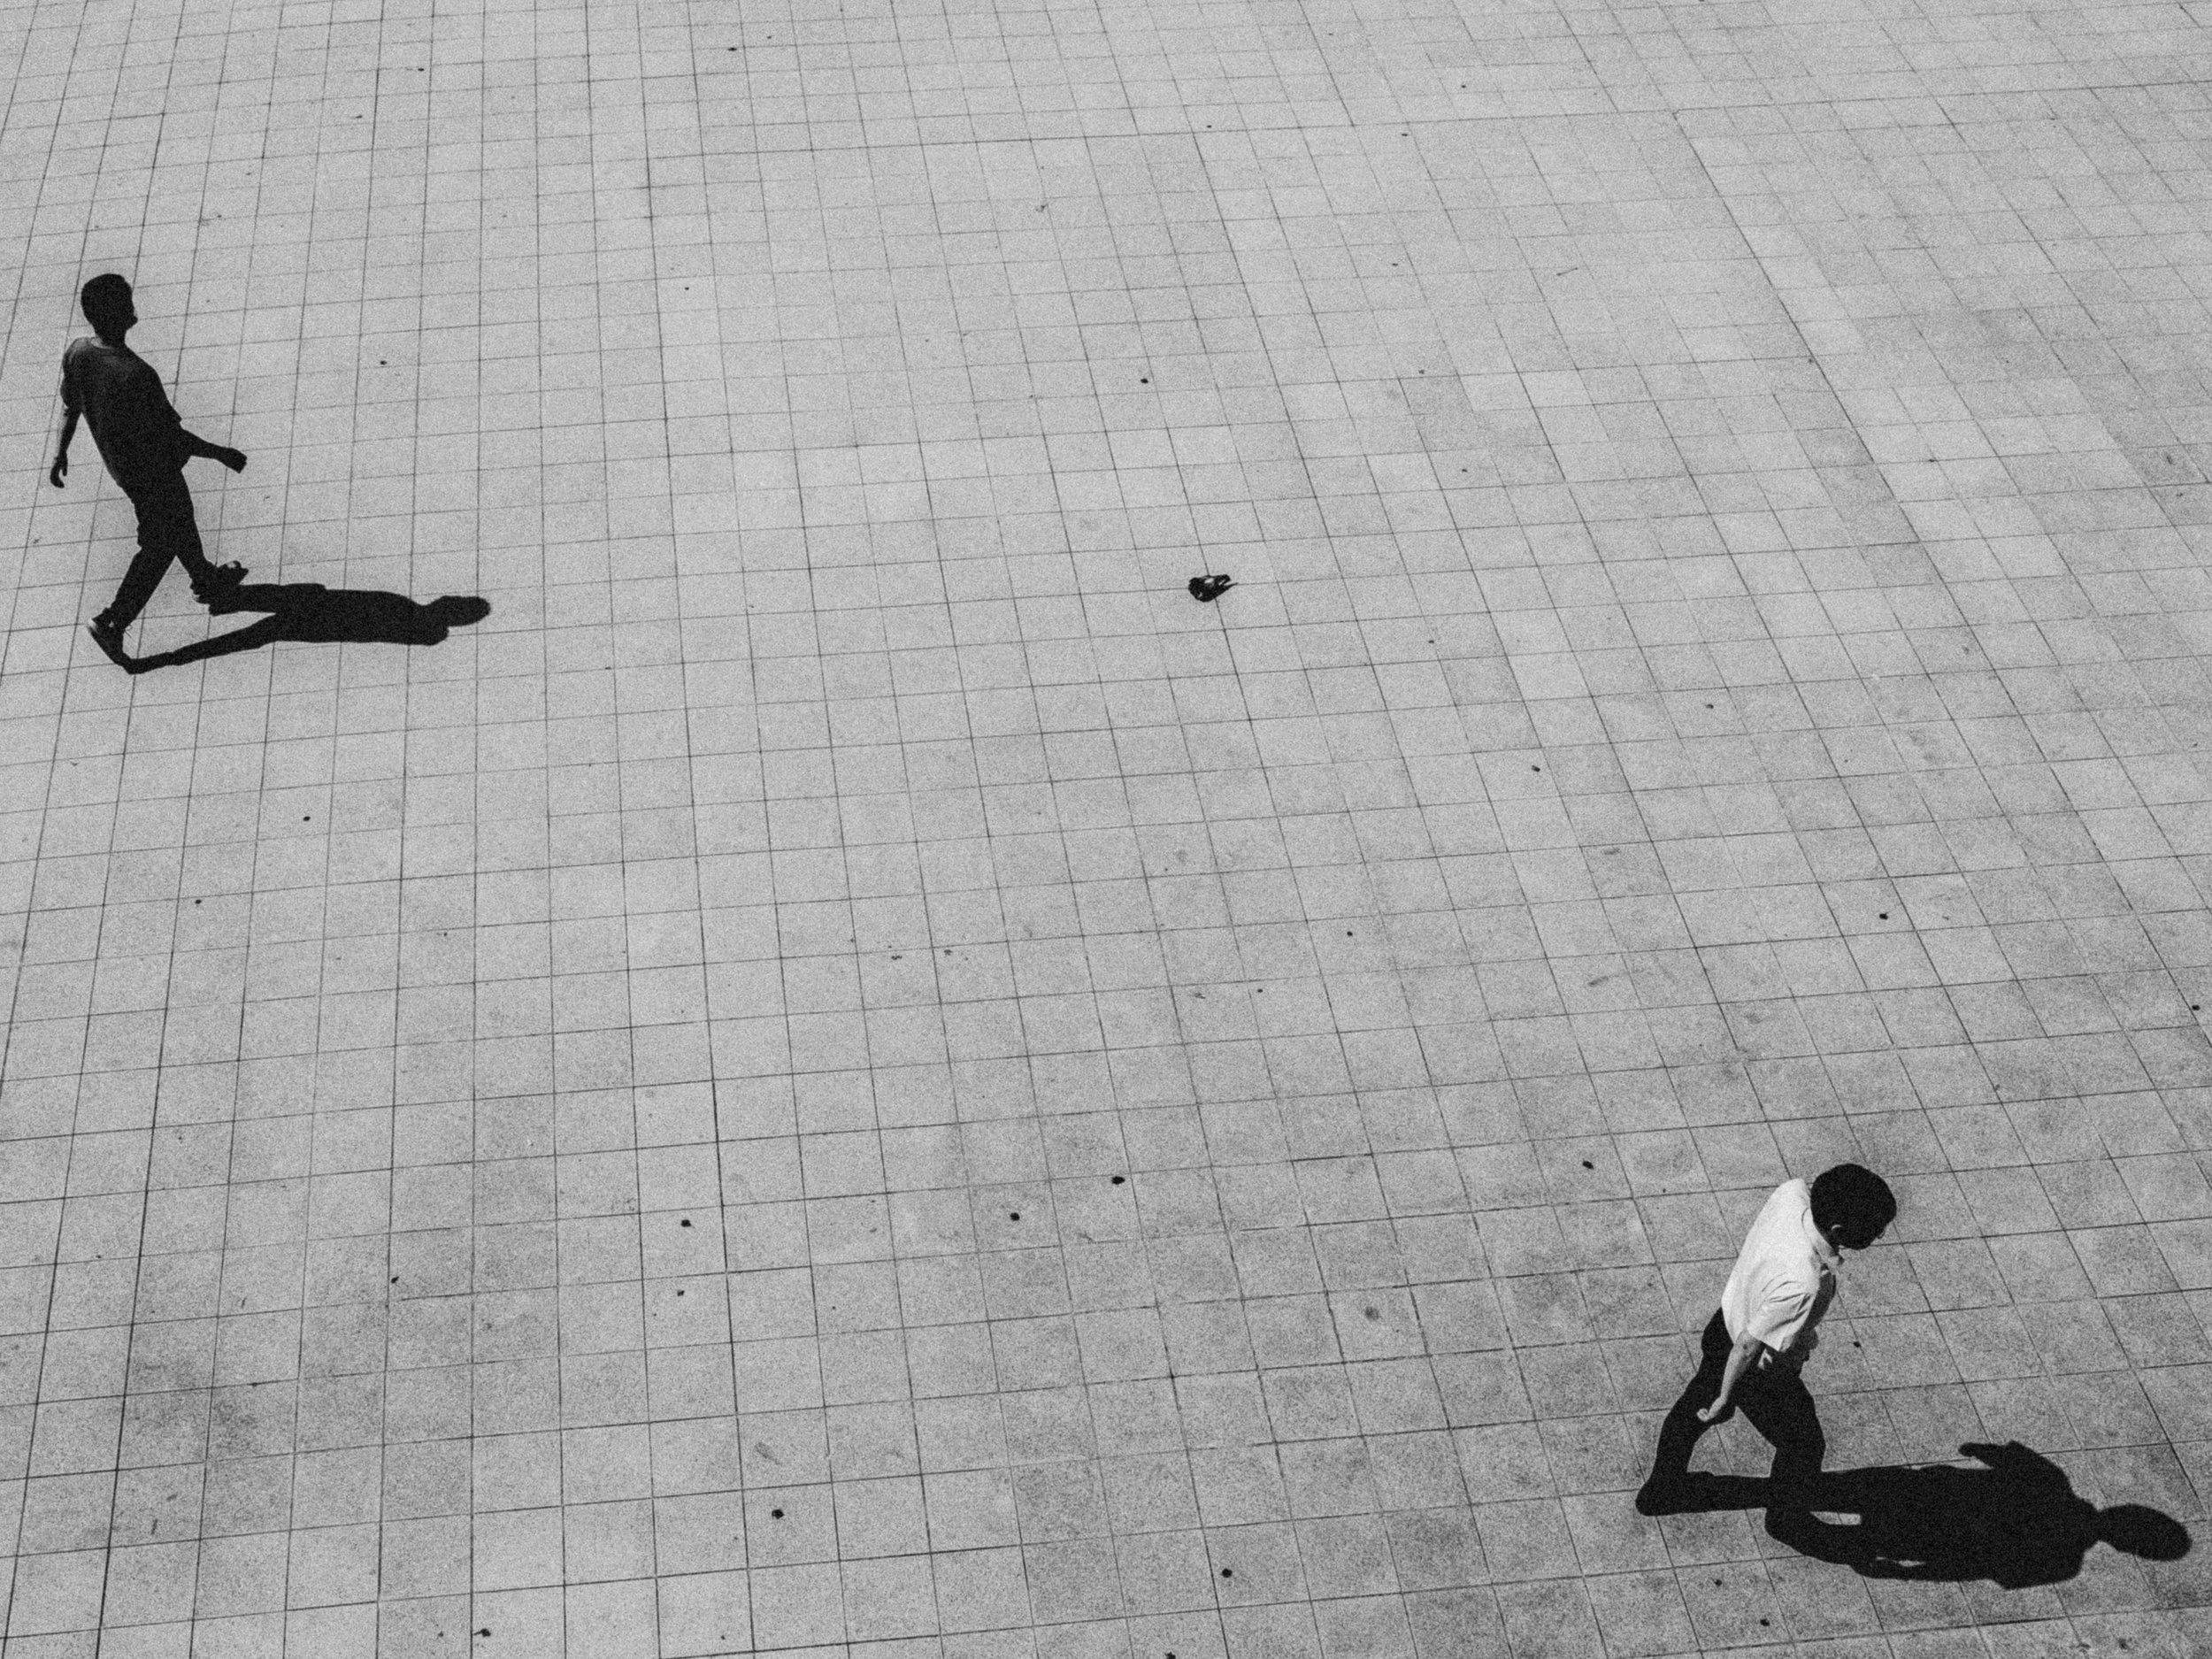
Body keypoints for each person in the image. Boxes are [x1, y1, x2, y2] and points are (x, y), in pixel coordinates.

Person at [1636, 1163, 1896, 1517]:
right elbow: (1748, 1345)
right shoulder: (1802, 1282)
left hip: (1724, 1324)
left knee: (1692, 1407)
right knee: (1803, 1444)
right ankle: (1787, 1519)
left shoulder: (1791, 1194)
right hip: (1756, 1370)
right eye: (1874, 1228)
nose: (1879, 1234)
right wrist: (1728, 1398)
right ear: (1837, 1229)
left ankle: (1662, 1488)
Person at [50, 273, 250, 659]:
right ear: (121, 312)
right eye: (127, 301)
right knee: (159, 544)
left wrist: (61, 452)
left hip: (124, 469)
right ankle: (112, 621)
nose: (132, 306)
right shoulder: (136, 375)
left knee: (180, 519)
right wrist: (222, 453)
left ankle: (206, 581)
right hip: (154, 471)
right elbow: (174, 438)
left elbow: (70, 405)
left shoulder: (78, 353)